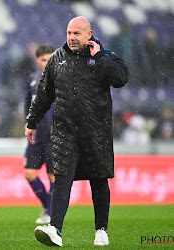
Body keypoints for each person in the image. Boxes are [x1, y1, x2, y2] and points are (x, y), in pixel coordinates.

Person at [25, 16, 129, 247]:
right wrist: (31, 122)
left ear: (89, 35)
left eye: (77, 34)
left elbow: (121, 78)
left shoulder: (103, 56)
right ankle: (55, 229)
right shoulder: (56, 59)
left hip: (96, 132)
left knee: (99, 180)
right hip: (65, 132)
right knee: (62, 178)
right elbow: (43, 95)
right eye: (69, 33)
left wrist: (99, 57)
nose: (71, 38)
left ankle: (101, 230)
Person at [24, 44, 55, 224]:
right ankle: (47, 206)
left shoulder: (59, 79)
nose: (46, 63)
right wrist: (28, 122)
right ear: (37, 60)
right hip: (36, 135)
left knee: (52, 176)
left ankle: (50, 213)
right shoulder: (32, 79)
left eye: (49, 59)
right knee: (29, 173)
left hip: (53, 135)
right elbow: (28, 104)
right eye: (43, 59)